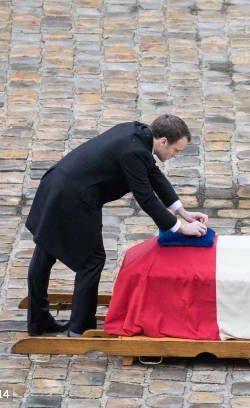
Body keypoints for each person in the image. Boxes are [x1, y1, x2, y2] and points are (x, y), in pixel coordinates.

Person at [25, 115, 208, 336]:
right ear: (162, 142)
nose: (175, 155)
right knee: (91, 261)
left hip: (56, 185)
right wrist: (179, 228)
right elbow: (146, 198)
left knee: (45, 251)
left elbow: (154, 176)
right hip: (73, 199)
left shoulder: (137, 134)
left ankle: (38, 320)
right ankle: (79, 328)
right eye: (176, 150)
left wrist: (182, 212)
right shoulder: (135, 152)